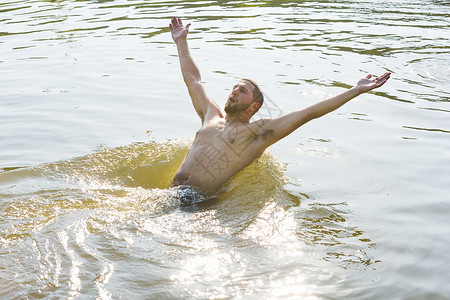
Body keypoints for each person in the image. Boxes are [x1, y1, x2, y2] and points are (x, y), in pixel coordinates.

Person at [169, 17, 390, 197]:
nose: (234, 91)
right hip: (170, 193)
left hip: (199, 204)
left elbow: (308, 114)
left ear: (254, 106)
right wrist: (181, 42)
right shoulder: (210, 115)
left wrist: (354, 90)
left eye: (242, 91)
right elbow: (193, 80)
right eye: (234, 88)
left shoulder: (257, 134)